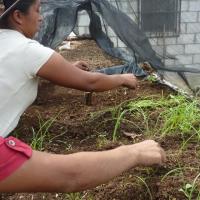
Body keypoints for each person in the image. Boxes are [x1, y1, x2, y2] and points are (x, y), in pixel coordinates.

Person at [0, 0, 166, 193]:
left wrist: (66, 69)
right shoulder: (26, 49)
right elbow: (70, 176)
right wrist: (134, 152)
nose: (41, 17)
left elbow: (18, 73)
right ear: (18, 16)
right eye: (37, 10)